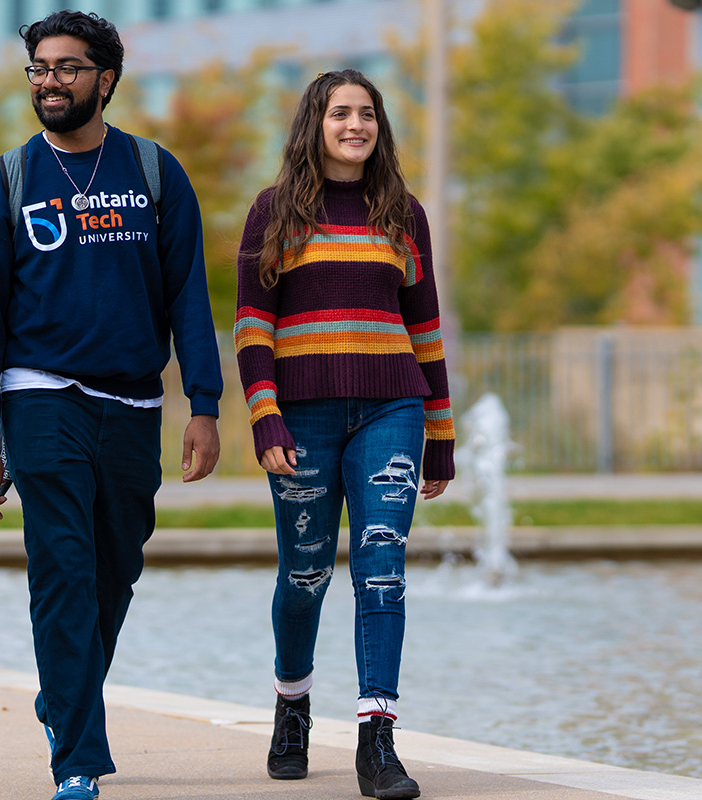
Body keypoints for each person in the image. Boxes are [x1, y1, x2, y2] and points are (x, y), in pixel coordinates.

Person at [0, 10, 223, 800]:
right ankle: (76, 757)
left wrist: (202, 401)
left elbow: (187, 295)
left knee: (116, 564)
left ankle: (61, 699)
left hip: (134, 401)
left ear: (105, 78)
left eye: (67, 68)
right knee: (63, 569)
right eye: (38, 68)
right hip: (40, 398)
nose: (49, 81)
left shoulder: (155, 172)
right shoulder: (2, 184)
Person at [235, 69, 455, 800]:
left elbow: (424, 329)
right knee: (305, 576)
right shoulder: (274, 212)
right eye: (340, 114)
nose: (355, 125)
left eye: (367, 114)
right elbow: (252, 326)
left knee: (382, 565)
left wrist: (442, 434)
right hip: (303, 417)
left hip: (393, 409)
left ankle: (378, 741)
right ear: (315, 124)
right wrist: (265, 412)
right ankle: (292, 705)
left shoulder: (403, 213)